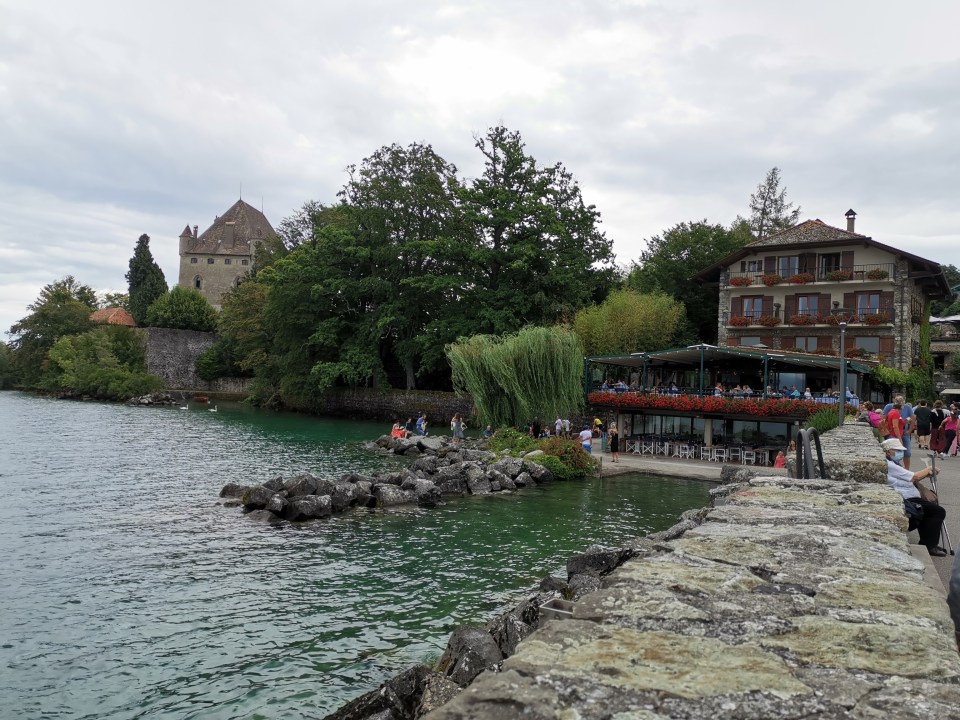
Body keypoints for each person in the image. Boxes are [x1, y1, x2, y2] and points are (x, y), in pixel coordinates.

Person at [881, 437, 947, 556]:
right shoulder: (889, 464)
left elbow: (910, 479)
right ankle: (929, 545)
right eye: (897, 450)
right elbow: (913, 477)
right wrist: (928, 469)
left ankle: (928, 543)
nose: (901, 453)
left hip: (909, 495)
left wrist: (925, 474)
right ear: (887, 451)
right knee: (938, 511)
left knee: (931, 509)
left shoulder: (893, 463)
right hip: (906, 498)